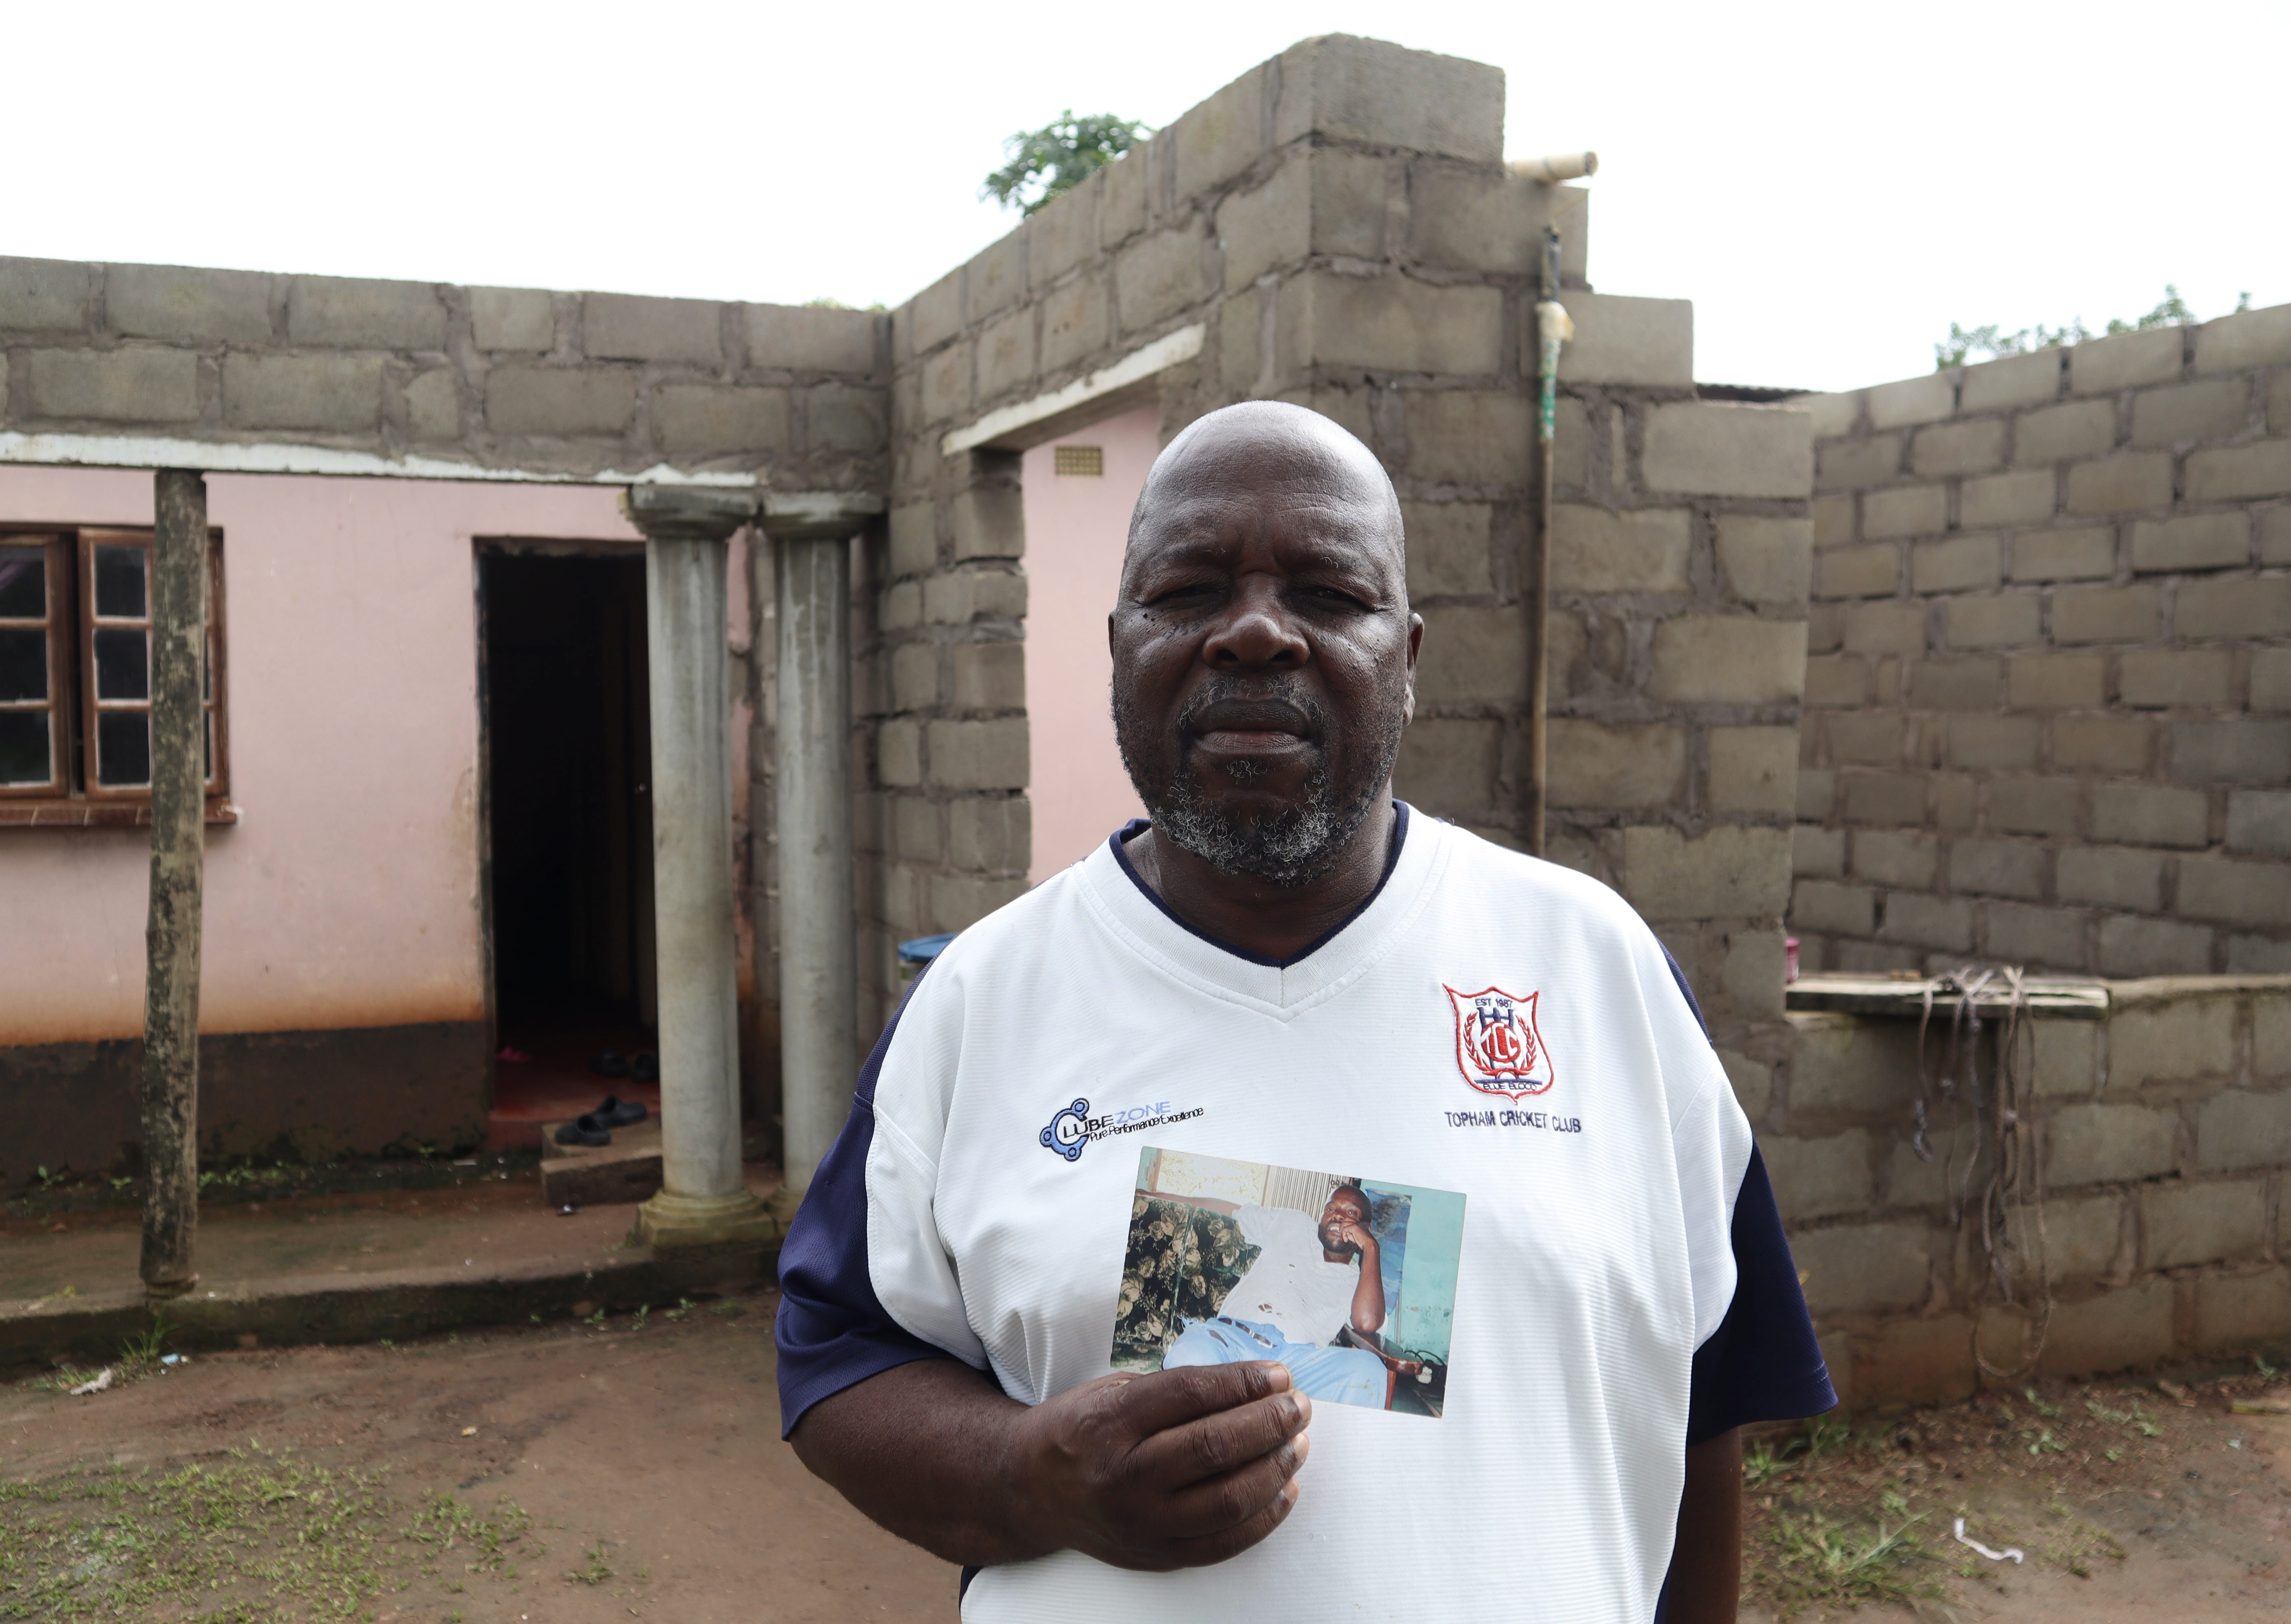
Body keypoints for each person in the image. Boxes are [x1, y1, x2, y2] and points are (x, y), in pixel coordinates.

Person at [775, 400, 1835, 1622]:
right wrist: (1027, 1478)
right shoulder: (982, 999)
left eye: (1327, 593)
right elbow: (838, 1355)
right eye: (1190, 588)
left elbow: (1705, 1401)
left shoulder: (1594, 971)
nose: (1255, 633)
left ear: (1408, 655)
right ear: (1115, 642)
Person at [1161, 1185, 1390, 1408]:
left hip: (1295, 1365)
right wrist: (1157, 1195)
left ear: (1365, 1228)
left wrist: (1372, 1248)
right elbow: (1231, 1210)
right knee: (1191, 1357)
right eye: (1331, 1209)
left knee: (1369, 1371)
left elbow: (1367, 1322)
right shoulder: (1293, 1224)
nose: (1337, 1217)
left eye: (1351, 1213)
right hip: (1231, 1339)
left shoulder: (1359, 1282)